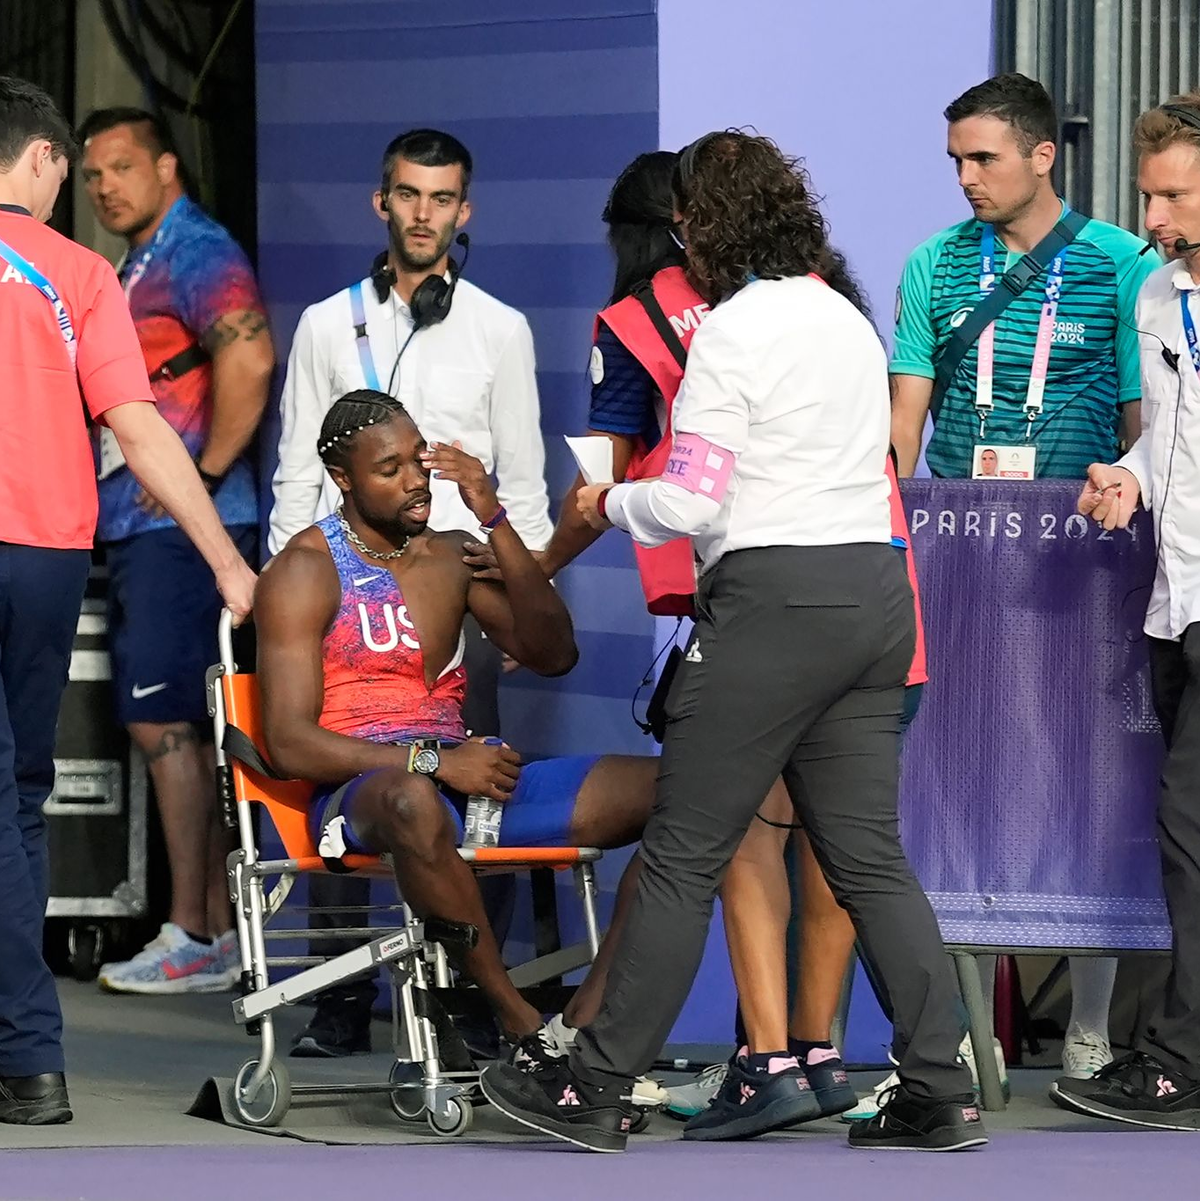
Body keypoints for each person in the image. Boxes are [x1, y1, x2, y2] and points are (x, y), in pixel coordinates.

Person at [479, 131, 985, 1154]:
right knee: (869, 860)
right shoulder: (842, 315)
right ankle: (940, 1088)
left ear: (701, 228)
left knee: (680, 853)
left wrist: (613, 500)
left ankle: (593, 1083)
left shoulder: (730, 332)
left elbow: (692, 498)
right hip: (874, 597)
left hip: (770, 606)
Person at [890, 72, 1159, 1083]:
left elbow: (1142, 428)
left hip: (1082, 562)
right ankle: (964, 1021)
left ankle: (1089, 1026)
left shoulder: (1124, 262)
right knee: (956, 781)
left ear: (1044, 156)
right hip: (958, 556)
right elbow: (904, 422)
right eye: (956, 159)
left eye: (984, 159)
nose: (965, 178)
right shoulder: (930, 265)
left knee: (1082, 778)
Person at [255, 389, 655, 1069]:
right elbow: (289, 741)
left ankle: (583, 1022)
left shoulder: (451, 554)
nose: (415, 481)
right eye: (390, 469)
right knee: (412, 801)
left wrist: (495, 518)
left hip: (469, 783)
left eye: (419, 461)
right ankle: (517, 1019)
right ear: (343, 479)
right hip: (367, 791)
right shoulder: (303, 568)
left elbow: (554, 653)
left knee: (688, 793)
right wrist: (431, 763)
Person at [0, 75, 254, 1126]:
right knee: (18, 794)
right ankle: (29, 1063)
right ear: (45, 160)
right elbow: (142, 429)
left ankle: (27, 1050)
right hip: (48, 558)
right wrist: (227, 561)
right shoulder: (80, 274)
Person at [269, 129, 553, 1055]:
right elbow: (294, 478)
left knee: (476, 782)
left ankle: (467, 1000)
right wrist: (283, 588)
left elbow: (528, 484)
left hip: (458, 593)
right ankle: (344, 996)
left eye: (442, 199)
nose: (423, 213)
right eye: (408, 195)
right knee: (348, 769)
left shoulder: (499, 329)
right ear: (380, 202)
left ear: (463, 212)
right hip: (339, 585)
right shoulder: (325, 323)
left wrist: (520, 589)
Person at [75, 107, 274, 995]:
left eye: (120, 167)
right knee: (171, 723)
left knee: (170, 724)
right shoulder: (139, 261)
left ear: (166, 166)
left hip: (185, 531)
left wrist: (204, 468)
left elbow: (251, 359)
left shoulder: (197, 249)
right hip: (140, 526)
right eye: (91, 176)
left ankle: (200, 930)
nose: (105, 186)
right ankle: (211, 927)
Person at [1056, 94, 1200, 1130]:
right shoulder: (1155, 295)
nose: (1154, 215)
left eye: (1176, 194)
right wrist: (1132, 478)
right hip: (1174, 599)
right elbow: (1171, 438)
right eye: (1150, 193)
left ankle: (1177, 1058)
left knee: (1187, 826)